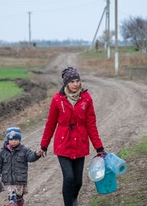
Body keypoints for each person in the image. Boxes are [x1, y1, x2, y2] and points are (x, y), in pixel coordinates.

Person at [39, 66, 106, 206]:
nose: (75, 84)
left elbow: (91, 125)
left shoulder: (86, 98)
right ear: (66, 83)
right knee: (68, 178)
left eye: (77, 81)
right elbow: (50, 124)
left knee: (78, 182)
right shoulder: (57, 99)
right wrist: (44, 145)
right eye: (72, 82)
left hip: (80, 144)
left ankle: (73, 198)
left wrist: (99, 147)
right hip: (63, 144)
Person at [0, 127, 42, 206]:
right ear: (8, 140)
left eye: (16, 140)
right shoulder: (2, 151)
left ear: (19, 140)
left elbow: (30, 157)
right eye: (11, 140)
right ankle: (12, 203)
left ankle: (19, 201)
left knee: (18, 197)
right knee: (12, 197)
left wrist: (36, 154)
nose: (14, 141)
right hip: (8, 179)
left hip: (20, 179)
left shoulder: (24, 150)